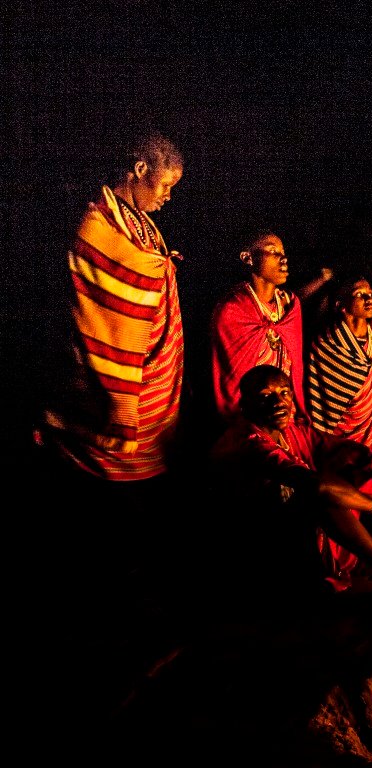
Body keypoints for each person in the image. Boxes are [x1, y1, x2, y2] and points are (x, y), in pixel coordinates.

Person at [35, 131, 187, 577]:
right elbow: (110, 287)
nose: (168, 197)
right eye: (165, 185)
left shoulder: (140, 223)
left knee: (144, 510)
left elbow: (145, 268)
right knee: (108, 516)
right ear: (140, 169)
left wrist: (160, 266)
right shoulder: (96, 223)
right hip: (102, 394)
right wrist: (154, 269)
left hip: (155, 390)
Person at [210, 365, 372, 609]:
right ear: (245, 406)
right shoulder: (250, 442)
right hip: (261, 544)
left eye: (284, 392)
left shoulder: (292, 431)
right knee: (323, 497)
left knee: (359, 467)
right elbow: (317, 486)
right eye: (265, 396)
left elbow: (346, 449)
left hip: (294, 526)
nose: (278, 402)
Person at [209, 229, 325, 426]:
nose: (283, 259)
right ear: (248, 258)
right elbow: (231, 378)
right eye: (273, 252)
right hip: (251, 415)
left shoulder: (290, 306)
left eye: (283, 253)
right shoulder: (232, 310)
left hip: (287, 412)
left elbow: (295, 367)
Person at [307, 274, 372, 468]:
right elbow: (324, 397)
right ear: (341, 305)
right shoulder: (328, 345)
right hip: (344, 432)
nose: (369, 299)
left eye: (370, 293)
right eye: (360, 294)